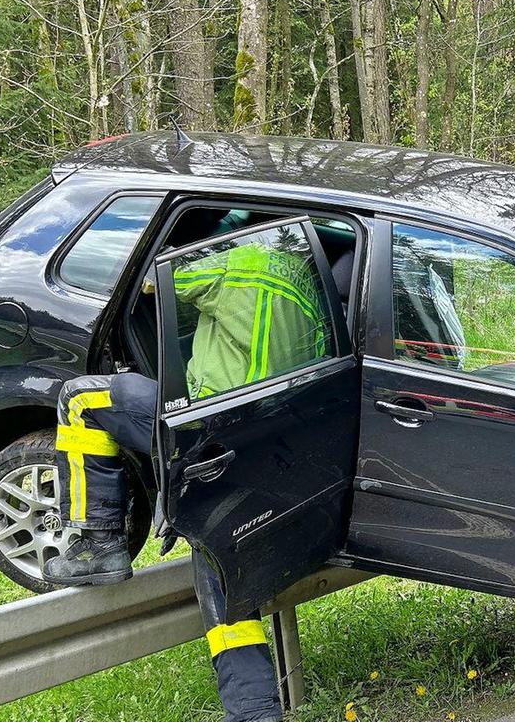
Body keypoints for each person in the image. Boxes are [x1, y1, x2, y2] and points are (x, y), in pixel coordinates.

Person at [41, 235, 341, 722]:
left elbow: (145, 285)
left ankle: (99, 544)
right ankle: (252, 712)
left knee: (81, 400)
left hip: (207, 428)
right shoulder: (311, 288)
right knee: (221, 568)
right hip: (270, 445)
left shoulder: (236, 263)